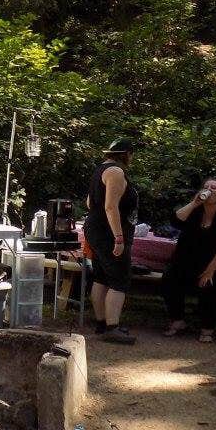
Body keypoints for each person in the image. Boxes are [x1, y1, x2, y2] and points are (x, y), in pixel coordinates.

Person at [160, 179, 216, 343]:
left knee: (209, 285)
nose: (209, 190)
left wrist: (210, 270)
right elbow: (175, 221)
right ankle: (178, 321)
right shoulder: (194, 212)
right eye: (206, 187)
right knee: (169, 278)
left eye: (214, 187)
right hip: (191, 262)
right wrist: (193, 203)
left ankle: (208, 328)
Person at [83, 139, 138, 344]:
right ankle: (112, 328)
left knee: (102, 277)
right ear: (126, 154)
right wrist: (119, 237)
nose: (132, 158)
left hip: (96, 229)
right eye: (131, 154)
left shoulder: (100, 170)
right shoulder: (115, 172)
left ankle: (102, 323)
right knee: (119, 278)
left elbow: (89, 202)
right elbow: (110, 207)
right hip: (108, 232)